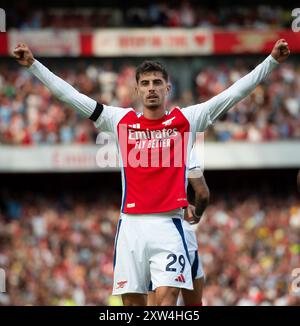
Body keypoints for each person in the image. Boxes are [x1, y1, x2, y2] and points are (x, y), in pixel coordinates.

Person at [13, 39, 289, 306]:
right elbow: (70, 96)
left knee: (167, 300)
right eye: (145, 84)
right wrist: (33, 65)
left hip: (169, 226)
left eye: (157, 82)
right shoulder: (119, 120)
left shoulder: (186, 120)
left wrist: (271, 61)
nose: (151, 88)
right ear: (137, 90)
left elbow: (233, 93)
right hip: (130, 226)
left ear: (167, 87)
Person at [147, 146, 209, 306]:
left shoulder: (138, 142)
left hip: (143, 228)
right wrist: (197, 214)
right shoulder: (183, 146)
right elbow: (202, 193)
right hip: (178, 228)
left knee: (152, 302)